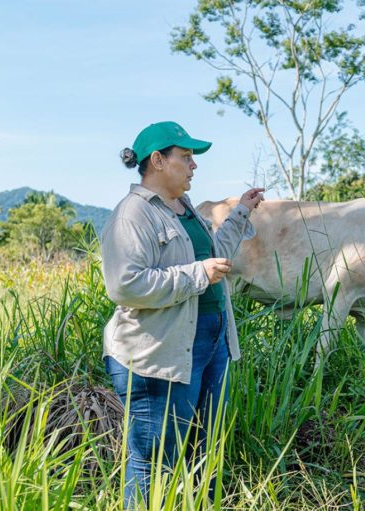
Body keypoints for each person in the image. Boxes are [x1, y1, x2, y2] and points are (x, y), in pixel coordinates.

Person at [99, 121, 264, 506]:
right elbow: (125, 286)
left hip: (210, 341)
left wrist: (241, 212)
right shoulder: (132, 215)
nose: (193, 166)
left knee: (204, 450)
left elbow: (211, 257)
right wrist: (195, 276)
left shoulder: (184, 208)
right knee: (154, 460)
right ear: (157, 160)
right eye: (186, 157)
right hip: (160, 352)